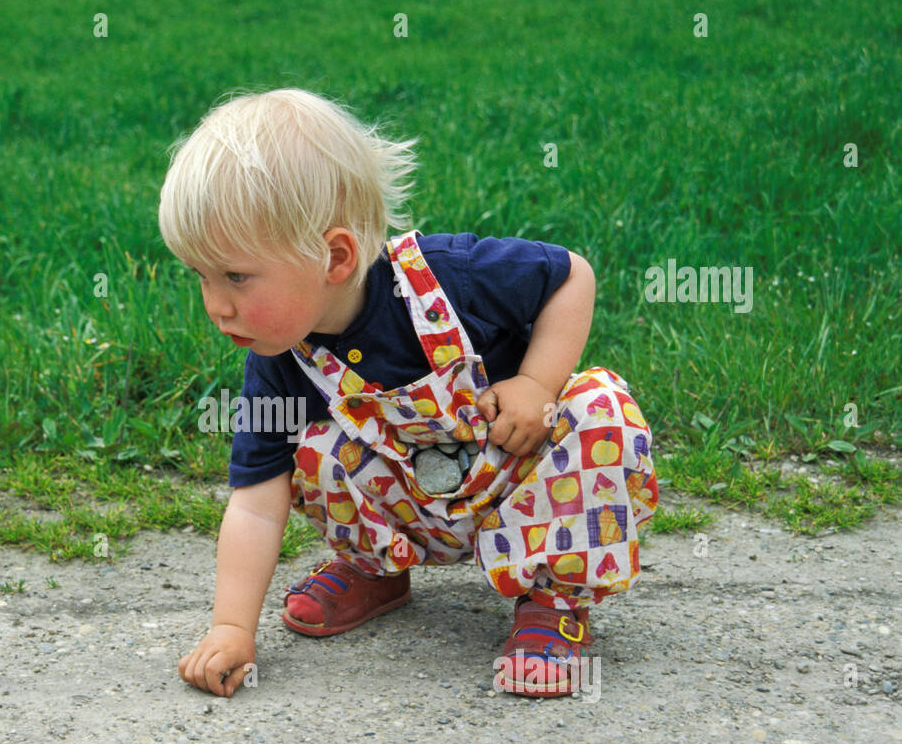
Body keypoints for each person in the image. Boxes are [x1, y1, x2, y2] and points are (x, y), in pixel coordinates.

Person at [158, 87, 658, 699]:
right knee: (314, 447)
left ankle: (552, 600)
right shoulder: (280, 357)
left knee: (599, 409)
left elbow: (572, 274)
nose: (215, 304)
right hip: (413, 507)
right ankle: (378, 570)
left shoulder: (451, 275)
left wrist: (535, 383)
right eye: (201, 276)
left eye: (235, 276)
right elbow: (258, 502)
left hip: (513, 474)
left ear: (334, 256)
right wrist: (231, 627)